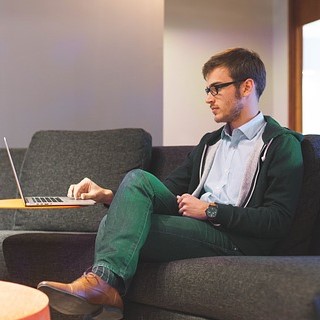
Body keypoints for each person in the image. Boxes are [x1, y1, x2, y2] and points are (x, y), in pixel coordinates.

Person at [37, 48, 304, 320]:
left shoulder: (280, 144)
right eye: (207, 90)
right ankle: (104, 289)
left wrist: (210, 210)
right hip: (198, 225)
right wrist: (108, 196)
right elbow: (160, 190)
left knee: (115, 226)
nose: (208, 99)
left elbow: (277, 220)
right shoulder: (210, 143)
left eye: (216, 89)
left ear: (247, 87)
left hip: (238, 239)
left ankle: (104, 289)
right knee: (137, 180)